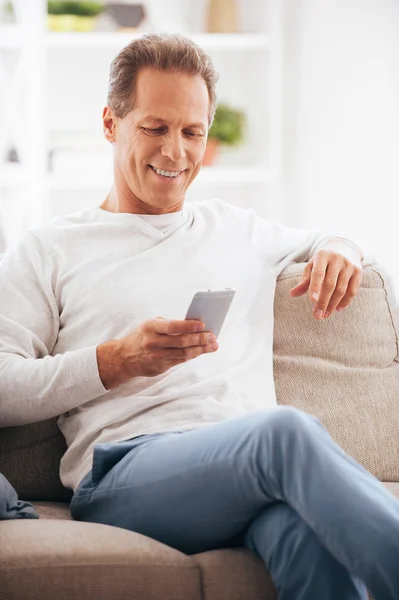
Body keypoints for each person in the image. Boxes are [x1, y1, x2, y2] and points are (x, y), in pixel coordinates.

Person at [0, 33, 398, 600]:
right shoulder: (50, 248)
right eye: (155, 128)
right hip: (127, 477)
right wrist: (114, 362)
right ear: (111, 124)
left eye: (192, 132)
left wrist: (343, 248)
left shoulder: (237, 227)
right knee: (285, 432)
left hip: (246, 476)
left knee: (297, 532)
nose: (176, 153)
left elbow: (325, 237)